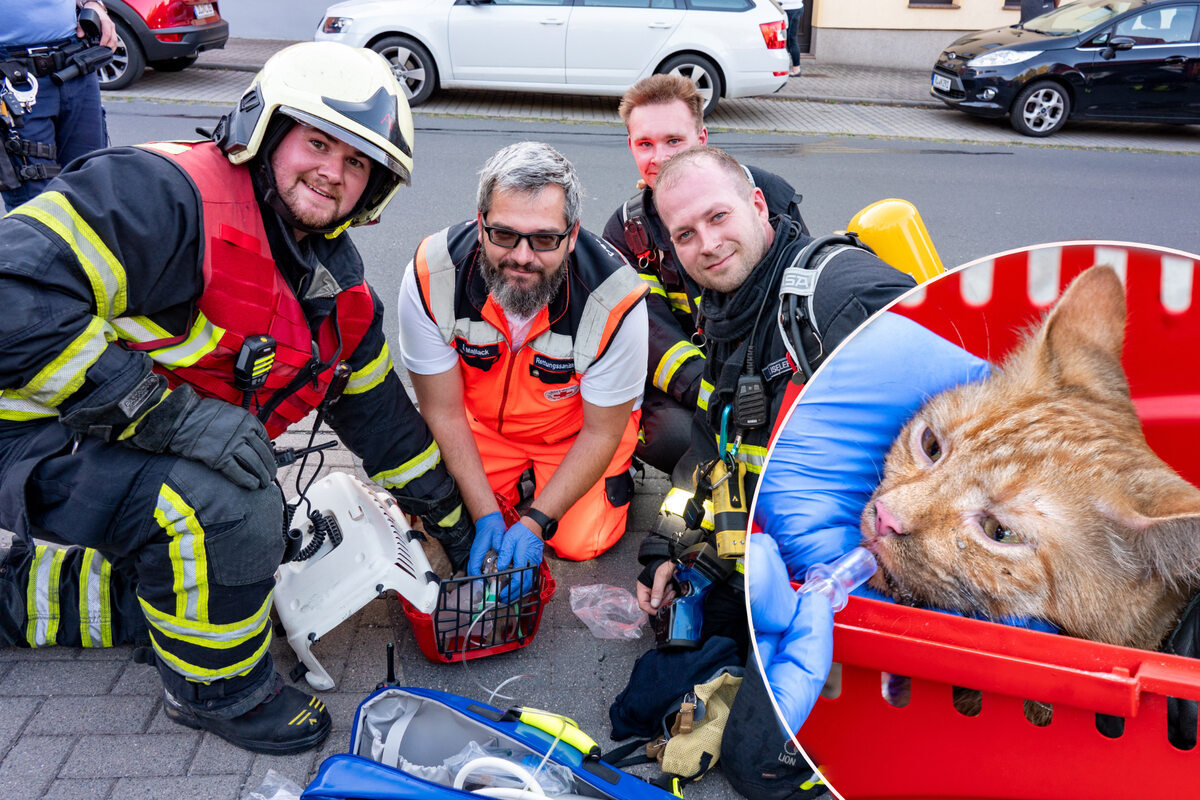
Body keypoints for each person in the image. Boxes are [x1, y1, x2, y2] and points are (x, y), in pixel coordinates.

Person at [0, 41, 476, 755]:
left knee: (231, 571)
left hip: (106, 444)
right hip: (32, 431)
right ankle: (217, 693)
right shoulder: (160, 197)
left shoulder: (334, 288)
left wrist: (455, 522)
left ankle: (17, 605)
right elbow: (13, 296)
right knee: (230, 506)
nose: (332, 173)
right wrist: (169, 415)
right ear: (265, 131)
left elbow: (380, 419)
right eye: (318, 143)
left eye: (356, 164)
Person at [636, 145, 916, 626]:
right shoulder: (731, 308)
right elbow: (708, 449)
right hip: (774, 569)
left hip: (855, 591)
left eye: (718, 216)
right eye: (686, 234)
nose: (707, 243)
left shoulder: (832, 292)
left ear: (758, 205)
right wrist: (665, 546)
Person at [398, 141, 649, 576]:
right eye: (505, 234)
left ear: (571, 236)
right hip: (479, 426)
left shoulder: (617, 300)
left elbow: (600, 432)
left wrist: (536, 521)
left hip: (575, 433)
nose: (522, 256)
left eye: (545, 239)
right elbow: (443, 411)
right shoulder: (429, 274)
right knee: (454, 522)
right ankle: (508, 493)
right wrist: (486, 515)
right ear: (481, 225)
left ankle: (596, 483)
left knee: (578, 543)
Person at [601, 74, 808, 486]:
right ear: (631, 146)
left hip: (767, 368)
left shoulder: (767, 194)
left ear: (702, 137)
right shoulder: (628, 231)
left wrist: (761, 389)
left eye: (673, 141)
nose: (658, 157)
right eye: (645, 144)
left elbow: (796, 300)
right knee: (671, 437)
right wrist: (716, 398)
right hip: (690, 387)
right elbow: (650, 335)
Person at [0, 0, 116, 212]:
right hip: (12, 76)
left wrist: (94, 4)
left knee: (92, 189)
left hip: (76, 61)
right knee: (37, 209)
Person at [780, 0, 805, 77]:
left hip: (792, 9)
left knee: (791, 39)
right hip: (785, 8)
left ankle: (796, 70)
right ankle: (782, 67)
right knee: (782, 38)